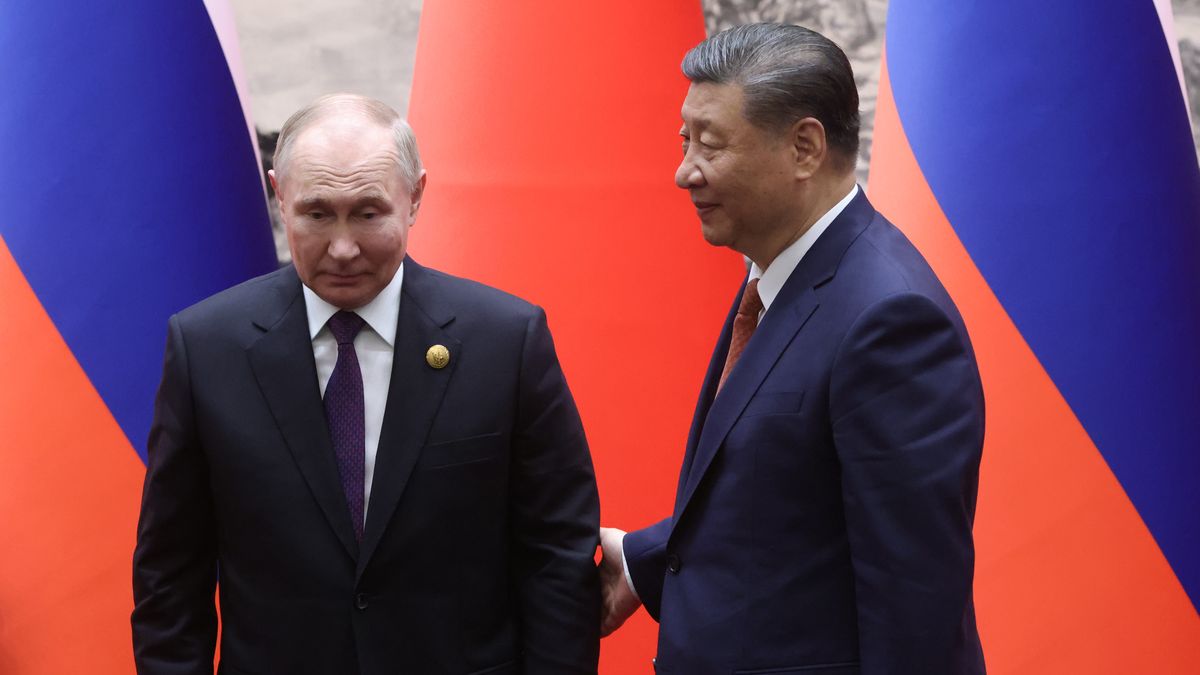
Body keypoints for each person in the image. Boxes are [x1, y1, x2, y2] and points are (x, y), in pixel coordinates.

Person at [132, 94, 600, 675]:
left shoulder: (505, 341)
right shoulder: (207, 347)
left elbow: (556, 554)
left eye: (368, 213)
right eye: (317, 214)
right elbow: (171, 574)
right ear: (279, 196)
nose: (343, 247)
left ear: (416, 197)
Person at [598, 23, 986, 674]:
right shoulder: (780, 273)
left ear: (804, 147)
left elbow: (915, 605)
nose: (684, 172)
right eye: (684, 140)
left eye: (710, 144)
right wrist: (642, 562)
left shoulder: (891, 321)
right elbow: (788, 505)